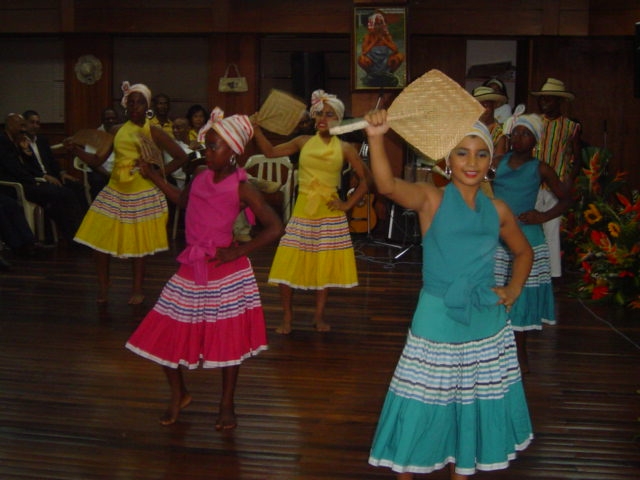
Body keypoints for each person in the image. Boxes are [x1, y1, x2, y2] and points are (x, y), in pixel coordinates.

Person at [364, 110, 534, 479]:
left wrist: (513, 288)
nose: (471, 162)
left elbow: (524, 252)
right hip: (437, 315)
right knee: (422, 400)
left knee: (470, 401)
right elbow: (387, 186)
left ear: (490, 162)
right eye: (462, 153)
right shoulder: (432, 198)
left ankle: (462, 470)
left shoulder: (498, 209)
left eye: (481, 154)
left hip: (485, 318)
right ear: (447, 159)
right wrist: (376, 138)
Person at [125, 111, 283, 429]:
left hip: (225, 270)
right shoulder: (199, 175)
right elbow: (183, 201)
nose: (207, 153)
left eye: (213, 147)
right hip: (192, 267)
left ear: (234, 150)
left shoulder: (242, 188)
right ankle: (179, 393)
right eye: (206, 146)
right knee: (164, 332)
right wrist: (153, 176)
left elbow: (275, 227)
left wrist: (238, 251)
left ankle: (226, 404)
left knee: (228, 339)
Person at [252, 89, 370, 334]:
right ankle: (287, 317)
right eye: (319, 113)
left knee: (323, 266)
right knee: (287, 263)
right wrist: (257, 130)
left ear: (339, 119)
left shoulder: (345, 147)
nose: (323, 118)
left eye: (329, 114)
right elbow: (270, 153)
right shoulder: (303, 141)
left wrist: (347, 204)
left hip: (330, 212)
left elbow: (366, 180)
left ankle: (318, 316)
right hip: (303, 210)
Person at [73, 81, 189, 305]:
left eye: (140, 103)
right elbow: (97, 160)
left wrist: (156, 173)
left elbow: (181, 157)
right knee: (97, 238)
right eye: (131, 102)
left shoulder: (152, 131)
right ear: (126, 106)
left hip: (141, 191)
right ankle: (104, 284)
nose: (135, 106)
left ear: (147, 107)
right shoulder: (116, 130)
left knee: (139, 244)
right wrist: (75, 150)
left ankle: (137, 288)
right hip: (115, 189)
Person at [493, 114, 571, 373]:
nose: (519, 138)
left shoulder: (541, 168)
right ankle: (492, 350)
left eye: (525, 134)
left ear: (535, 141)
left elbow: (566, 198)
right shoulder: (497, 163)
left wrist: (543, 216)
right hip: (497, 238)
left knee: (521, 295)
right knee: (493, 292)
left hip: (526, 238)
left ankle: (520, 353)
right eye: (515, 133)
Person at [0, 113, 83, 244]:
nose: (23, 129)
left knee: (63, 197)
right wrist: (35, 180)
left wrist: (26, 153)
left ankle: (74, 236)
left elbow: (31, 165)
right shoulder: (3, 142)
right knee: (63, 194)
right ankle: (73, 236)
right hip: (14, 186)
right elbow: (14, 169)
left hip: (29, 181)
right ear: (10, 125)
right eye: (21, 126)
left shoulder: (20, 140)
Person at [530, 77, 581, 278]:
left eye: (549, 99)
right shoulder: (534, 123)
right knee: (531, 226)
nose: (544, 102)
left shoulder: (570, 126)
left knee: (551, 229)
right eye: (542, 99)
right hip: (533, 183)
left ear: (559, 101)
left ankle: (552, 274)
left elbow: (577, 158)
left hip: (556, 185)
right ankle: (531, 269)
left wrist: (568, 181)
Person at [22, 109, 89, 213]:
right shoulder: (21, 142)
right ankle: (73, 222)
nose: (35, 126)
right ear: (24, 124)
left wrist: (62, 173)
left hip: (53, 176)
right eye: (32, 122)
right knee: (67, 194)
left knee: (77, 186)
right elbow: (25, 167)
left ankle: (86, 218)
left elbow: (52, 160)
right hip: (38, 180)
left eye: (37, 123)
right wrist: (44, 176)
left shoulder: (42, 140)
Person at [66, 107, 118, 199]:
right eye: (107, 119)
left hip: (118, 170)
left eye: (113, 118)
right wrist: (108, 175)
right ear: (102, 121)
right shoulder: (95, 135)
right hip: (100, 171)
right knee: (97, 181)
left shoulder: (121, 134)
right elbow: (93, 162)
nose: (111, 121)